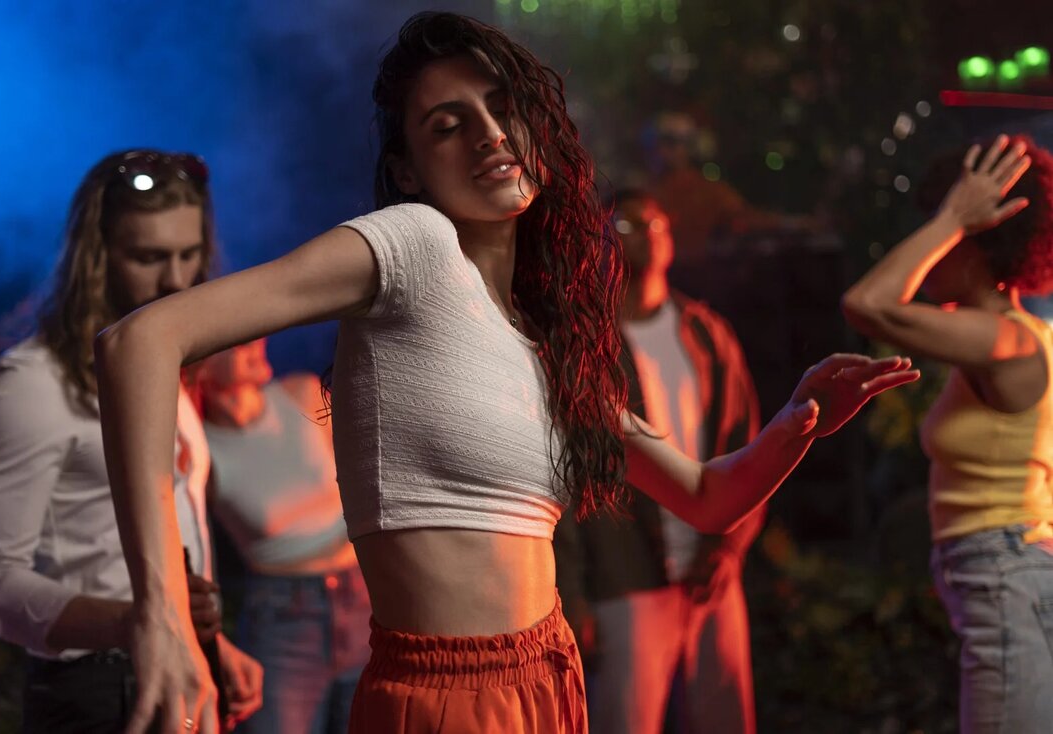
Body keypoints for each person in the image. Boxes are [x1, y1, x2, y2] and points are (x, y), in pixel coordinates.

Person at [93, 13, 918, 734]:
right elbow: (139, 343)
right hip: (444, 694)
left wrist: (799, 420)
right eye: (448, 125)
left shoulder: (543, 335)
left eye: (501, 106)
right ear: (409, 169)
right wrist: (162, 617)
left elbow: (708, 497)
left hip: (550, 675)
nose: (489, 133)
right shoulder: (413, 244)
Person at [0, 149, 263, 733]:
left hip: (181, 667)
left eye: (189, 255)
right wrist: (139, 623)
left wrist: (212, 645)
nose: (176, 280)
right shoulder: (31, 384)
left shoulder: (165, 370)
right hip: (93, 691)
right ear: (95, 257)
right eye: (149, 257)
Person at [843, 134, 1053, 732]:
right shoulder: (1013, 336)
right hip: (1008, 573)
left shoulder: (1006, 340)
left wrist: (953, 217)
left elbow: (869, 303)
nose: (930, 244)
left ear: (978, 241)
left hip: (1006, 575)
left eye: (943, 230)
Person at [555, 189, 763, 734]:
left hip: (711, 570)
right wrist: (571, 593)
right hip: (626, 571)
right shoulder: (586, 345)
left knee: (725, 720)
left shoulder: (704, 332)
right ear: (601, 240)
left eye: (656, 223)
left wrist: (728, 548)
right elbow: (565, 474)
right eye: (627, 225)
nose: (646, 234)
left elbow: (746, 446)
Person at [198, 339, 371, 733]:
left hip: (363, 595)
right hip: (283, 618)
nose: (253, 341)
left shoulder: (303, 393)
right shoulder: (201, 447)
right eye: (232, 340)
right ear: (200, 366)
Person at [647, 110, 813, 263]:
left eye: (672, 143)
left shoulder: (706, 191)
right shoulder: (648, 192)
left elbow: (746, 217)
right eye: (663, 142)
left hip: (694, 274)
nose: (664, 151)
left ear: (688, 147)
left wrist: (793, 223)